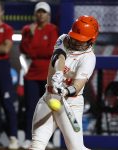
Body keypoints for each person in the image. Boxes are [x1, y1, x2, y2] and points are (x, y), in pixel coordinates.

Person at [29, 15, 99, 150]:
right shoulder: (63, 39)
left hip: (71, 103)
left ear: (91, 40)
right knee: (36, 146)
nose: (76, 41)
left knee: (76, 148)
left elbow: (78, 86)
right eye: (75, 37)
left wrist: (65, 90)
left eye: (81, 40)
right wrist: (59, 72)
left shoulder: (89, 58)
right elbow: (59, 56)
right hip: (49, 98)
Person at [19, 1, 58, 149]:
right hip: (32, 74)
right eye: (39, 12)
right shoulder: (27, 30)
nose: (41, 14)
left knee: (50, 107)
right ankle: (30, 138)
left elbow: (50, 51)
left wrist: (35, 51)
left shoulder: (53, 29)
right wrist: (33, 35)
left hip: (48, 75)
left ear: (48, 15)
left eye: (44, 12)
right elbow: (25, 49)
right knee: (31, 108)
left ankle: (49, 139)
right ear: (35, 14)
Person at [0, 1, 19, 149]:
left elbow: (5, 49)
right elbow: (0, 47)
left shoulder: (7, 29)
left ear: (2, 12)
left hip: (2, 68)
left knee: (7, 103)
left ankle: (13, 137)